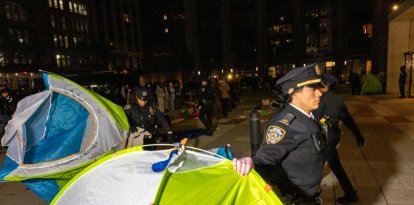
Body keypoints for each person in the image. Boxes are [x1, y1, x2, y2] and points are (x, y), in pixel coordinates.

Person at [233, 64, 326, 204]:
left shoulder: (307, 116)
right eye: (312, 89)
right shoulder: (284, 124)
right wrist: (251, 162)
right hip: (293, 199)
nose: (319, 93)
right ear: (293, 92)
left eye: (318, 88)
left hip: (308, 196)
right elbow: (267, 156)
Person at [313, 73, 365, 204]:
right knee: (326, 165)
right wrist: (357, 133)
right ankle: (350, 193)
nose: (318, 88)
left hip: (325, 138)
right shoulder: (338, 99)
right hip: (333, 137)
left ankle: (350, 194)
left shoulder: (322, 100)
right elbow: (347, 118)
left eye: (320, 85)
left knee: (328, 166)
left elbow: (318, 119)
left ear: (325, 85)